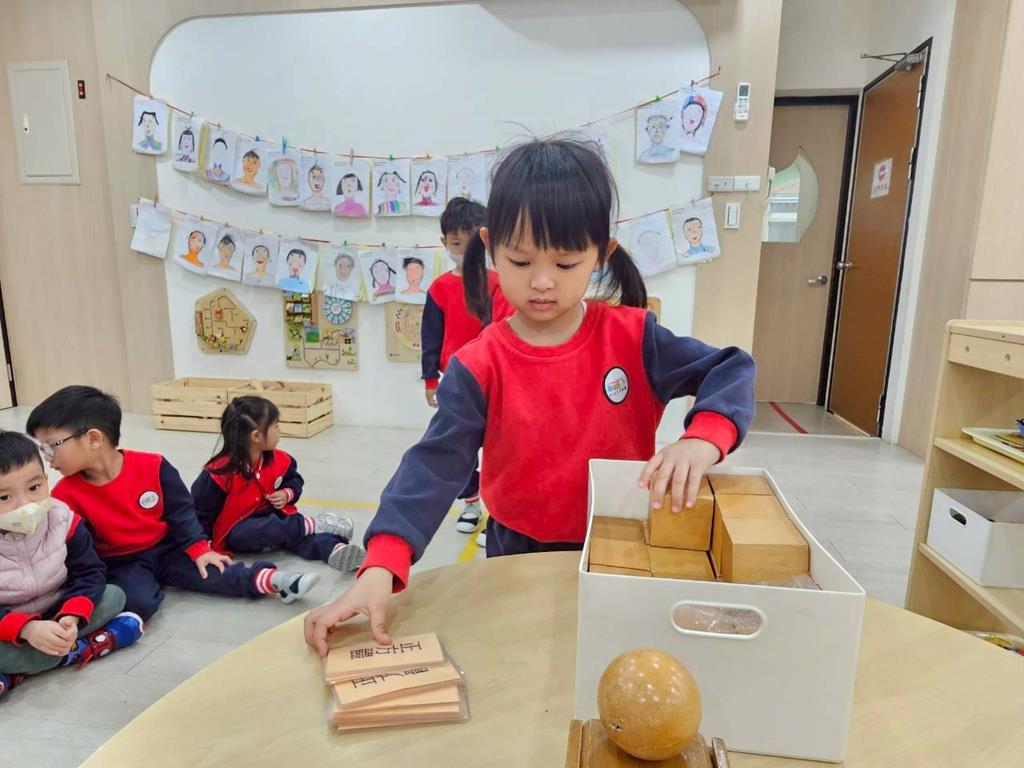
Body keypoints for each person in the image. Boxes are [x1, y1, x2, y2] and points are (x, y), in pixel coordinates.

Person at [304, 138, 755, 652]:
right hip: (516, 549)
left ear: (601, 255)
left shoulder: (633, 337)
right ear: (490, 247)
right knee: (521, 661)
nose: (542, 283)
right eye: (520, 262)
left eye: (565, 264)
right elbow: (433, 466)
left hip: (621, 541)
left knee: (608, 659)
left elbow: (731, 368)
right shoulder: (479, 364)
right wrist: (382, 562)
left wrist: (702, 439)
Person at [27, 387, 319, 622]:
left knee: (211, 568)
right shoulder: (65, 495)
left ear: (93, 439)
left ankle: (275, 580)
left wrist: (199, 548)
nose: (47, 456)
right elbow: (80, 549)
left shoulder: (152, 466)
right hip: (123, 563)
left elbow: (182, 512)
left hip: (170, 547)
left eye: (52, 445)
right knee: (140, 602)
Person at [0, 431, 143, 700]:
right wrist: (25, 628)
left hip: (56, 610)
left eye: (34, 488)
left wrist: (72, 616)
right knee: (27, 653)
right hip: (7, 626)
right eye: (4, 498)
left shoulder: (62, 520)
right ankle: (78, 649)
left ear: (46, 480)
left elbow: (90, 572)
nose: (25, 505)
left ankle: (18, 671)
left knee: (114, 595)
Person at [191, 397, 365, 571]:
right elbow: (201, 513)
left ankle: (335, 548)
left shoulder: (280, 460)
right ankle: (314, 525)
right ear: (256, 436)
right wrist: (203, 546)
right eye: (275, 425)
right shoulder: (218, 474)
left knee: (293, 532)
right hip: (241, 527)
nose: (279, 430)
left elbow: (295, 481)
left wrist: (287, 493)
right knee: (251, 532)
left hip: (278, 518)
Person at [420, 197, 507, 544]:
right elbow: (430, 336)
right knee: (460, 447)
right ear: (444, 243)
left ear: (485, 240)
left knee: (500, 447)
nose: (463, 250)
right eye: (456, 243)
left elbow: (501, 330)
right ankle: (471, 504)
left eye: (470, 242)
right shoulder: (439, 288)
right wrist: (430, 378)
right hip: (454, 380)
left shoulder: (498, 283)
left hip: (495, 378)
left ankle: (497, 516)